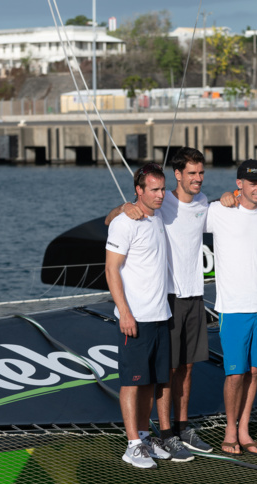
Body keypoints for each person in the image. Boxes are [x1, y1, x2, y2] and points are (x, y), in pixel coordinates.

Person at [104, 147, 212, 457]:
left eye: (201, 172)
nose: (160, 195)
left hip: (176, 304)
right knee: (147, 377)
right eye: (191, 173)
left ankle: (166, 430)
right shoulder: (144, 212)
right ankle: (148, 439)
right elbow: (111, 253)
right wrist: (123, 207)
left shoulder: (188, 206)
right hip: (153, 305)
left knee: (171, 373)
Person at [105, 163, 178, 468]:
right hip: (134, 316)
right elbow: (111, 270)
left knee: (151, 381)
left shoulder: (158, 215)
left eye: (162, 189)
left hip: (160, 314)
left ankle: (145, 437)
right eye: (154, 190)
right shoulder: (125, 223)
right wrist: (125, 313)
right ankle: (132, 444)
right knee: (132, 382)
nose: (161, 195)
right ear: (139, 190)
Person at [206, 159, 257, 455]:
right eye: (253, 183)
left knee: (255, 372)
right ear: (239, 184)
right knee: (235, 374)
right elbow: (183, 214)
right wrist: (223, 196)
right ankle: (229, 431)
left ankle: (244, 430)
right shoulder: (218, 210)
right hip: (233, 307)